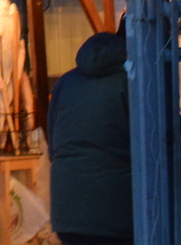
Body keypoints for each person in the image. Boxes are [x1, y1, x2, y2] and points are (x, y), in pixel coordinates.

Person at [47, 26, 131, 245]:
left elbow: (53, 144)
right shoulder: (131, 83)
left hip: (67, 212)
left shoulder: (65, 82)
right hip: (115, 211)